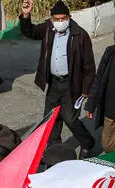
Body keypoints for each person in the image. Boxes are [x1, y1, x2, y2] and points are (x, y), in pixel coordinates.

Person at [19, 0, 96, 159]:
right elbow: (30, 32)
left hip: (71, 84)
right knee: (51, 118)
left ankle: (87, 143)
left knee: (70, 118)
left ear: (69, 17)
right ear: (52, 19)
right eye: (57, 19)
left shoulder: (80, 35)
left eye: (63, 18)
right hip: (53, 82)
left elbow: (89, 66)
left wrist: (86, 90)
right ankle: (55, 149)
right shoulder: (48, 28)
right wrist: (26, 15)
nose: (60, 22)